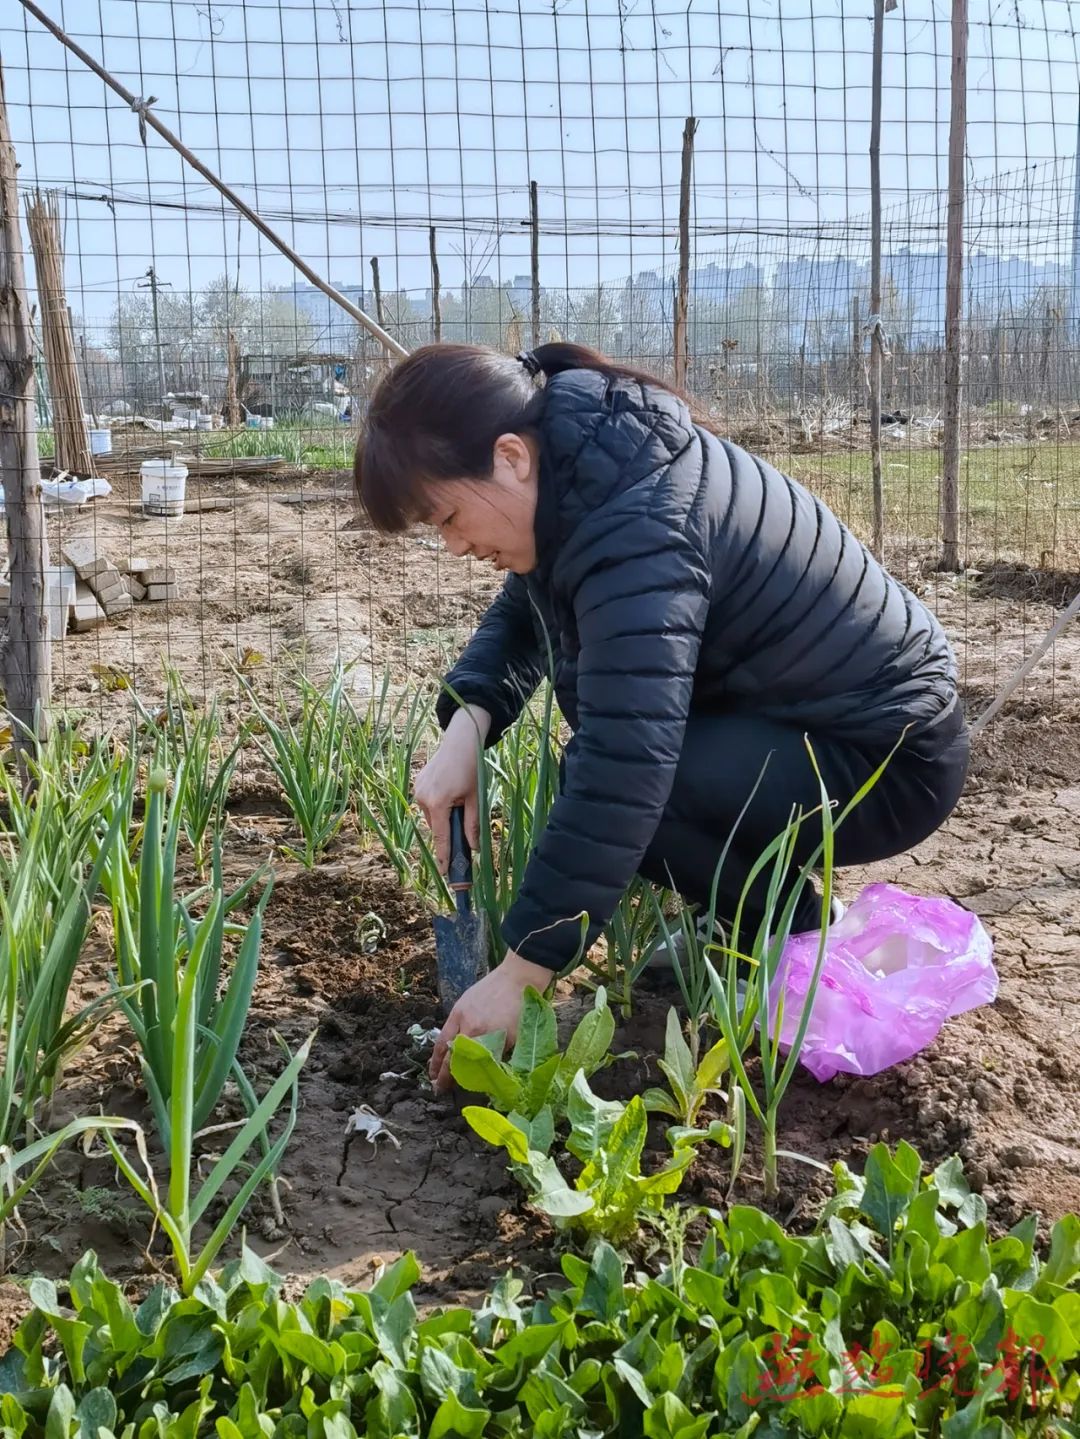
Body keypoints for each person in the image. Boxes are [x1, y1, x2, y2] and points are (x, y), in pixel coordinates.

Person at [353, 343, 969, 1092]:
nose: (452, 544)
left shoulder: (642, 518)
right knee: (619, 775)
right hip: (812, 721)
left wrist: (524, 969)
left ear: (511, 456)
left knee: (631, 784)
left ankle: (793, 937)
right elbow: (529, 598)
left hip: (888, 755)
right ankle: (763, 922)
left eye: (447, 515)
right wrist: (470, 721)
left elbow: (626, 766)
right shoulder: (590, 468)